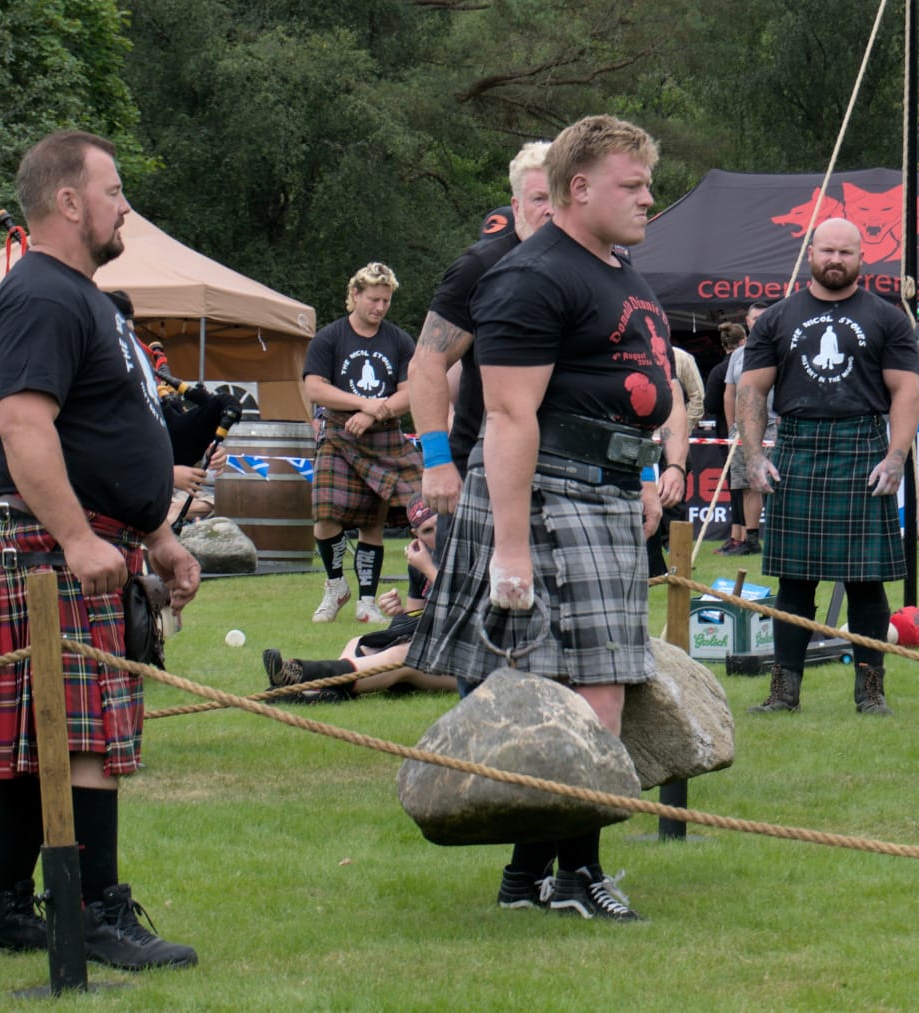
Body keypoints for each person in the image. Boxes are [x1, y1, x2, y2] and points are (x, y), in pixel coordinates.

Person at [405, 115, 672, 919]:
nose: (649, 199)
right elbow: (510, 418)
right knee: (589, 700)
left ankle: (533, 875)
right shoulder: (532, 276)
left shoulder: (614, 268)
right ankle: (575, 872)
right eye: (633, 185)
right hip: (552, 492)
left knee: (593, 691)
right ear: (578, 187)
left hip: (606, 489)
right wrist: (510, 552)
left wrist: (647, 474)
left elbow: (636, 376)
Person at [0, 130, 201, 969]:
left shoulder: (88, 298)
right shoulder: (38, 294)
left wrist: (161, 536)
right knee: (89, 734)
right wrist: (74, 537)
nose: (124, 205)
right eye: (112, 190)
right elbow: (23, 424)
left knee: (50, 740)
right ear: (68, 201)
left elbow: (110, 431)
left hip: (96, 538)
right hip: (51, 545)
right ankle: (97, 913)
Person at [738, 218, 919, 717]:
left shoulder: (888, 318)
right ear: (810, 254)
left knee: (867, 582)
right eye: (828, 251)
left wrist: (897, 455)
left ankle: (870, 691)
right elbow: (752, 388)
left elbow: (906, 388)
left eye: (846, 252)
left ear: (862, 258)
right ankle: (783, 691)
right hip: (798, 444)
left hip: (862, 443)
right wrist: (754, 455)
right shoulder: (778, 317)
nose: (836, 260)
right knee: (794, 581)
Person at [410, 141, 557, 539]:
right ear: (516, 203)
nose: (550, 209)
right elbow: (426, 363)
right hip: (482, 463)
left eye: (558, 197)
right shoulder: (482, 265)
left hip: (569, 468)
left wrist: (645, 476)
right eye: (539, 198)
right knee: (477, 599)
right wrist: (438, 461)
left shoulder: (600, 263)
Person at [304, 262, 423, 623]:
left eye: (386, 300)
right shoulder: (331, 337)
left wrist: (375, 413)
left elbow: (413, 392)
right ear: (355, 294)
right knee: (325, 514)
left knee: (373, 521)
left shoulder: (399, 340)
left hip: (383, 436)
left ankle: (367, 601)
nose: (380, 307)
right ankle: (336, 584)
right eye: (373, 299)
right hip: (339, 435)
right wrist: (361, 404)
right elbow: (315, 387)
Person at [261, 495, 454, 701]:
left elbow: (466, 615)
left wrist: (428, 568)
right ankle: (314, 694)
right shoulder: (420, 561)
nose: (437, 536)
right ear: (415, 534)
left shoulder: (468, 554)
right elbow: (420, 622)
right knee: (358, 644)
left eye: (441, 526)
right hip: (436, 651)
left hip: (469, 662)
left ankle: (302, 673)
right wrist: (400, 613)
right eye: (427, 530)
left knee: (402, 656)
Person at [719, 301, 773, 556]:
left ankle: (778, 536)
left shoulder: (781, 348)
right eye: (755, 318)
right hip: (742, 429)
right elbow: (729, 392)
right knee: (747, 483)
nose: (759, 321)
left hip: (773, 425)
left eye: (764, 317)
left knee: (776, 483)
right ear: (747, 321)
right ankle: (751, 540)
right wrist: (732, 426)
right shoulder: (739, 355)